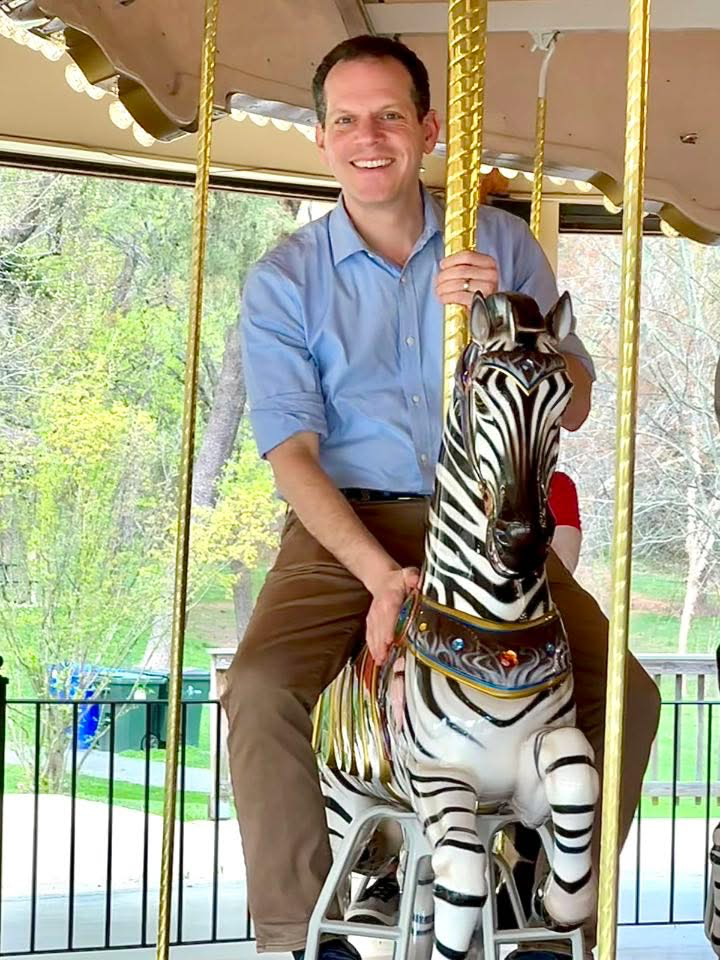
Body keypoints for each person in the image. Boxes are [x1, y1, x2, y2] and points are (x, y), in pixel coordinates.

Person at [220, 34, 661, 960]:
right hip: (350, 518)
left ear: (428, 128)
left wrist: (515, 320)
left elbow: (572, 404)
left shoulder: (497, 240)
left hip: (491, 516)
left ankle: (543, 903)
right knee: (258, 689)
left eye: (388, 115)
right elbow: (293, 456)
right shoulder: (286, 280)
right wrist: (381, 577)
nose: (367, 137)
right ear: (321, 136)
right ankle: (302, 931)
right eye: (345, 119)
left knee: (625, 691)